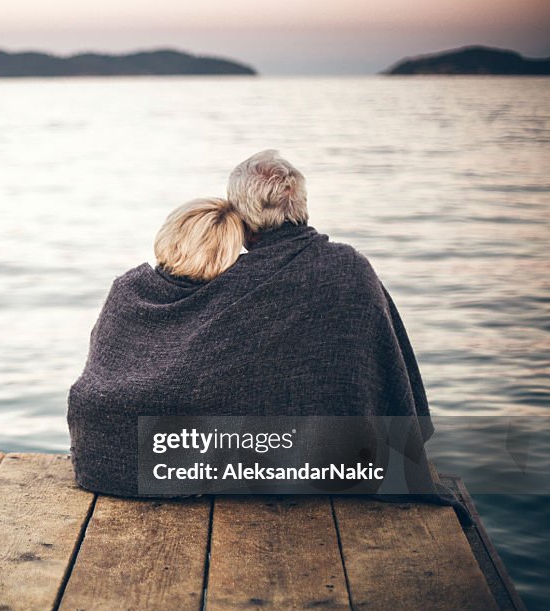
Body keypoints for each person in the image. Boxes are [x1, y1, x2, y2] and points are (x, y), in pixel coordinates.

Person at [67, 150, 441, 499]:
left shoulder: (228, 279)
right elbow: (383, 366)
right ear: (303, 203)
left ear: (242, 217)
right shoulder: (350, 267)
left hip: (103, 455)